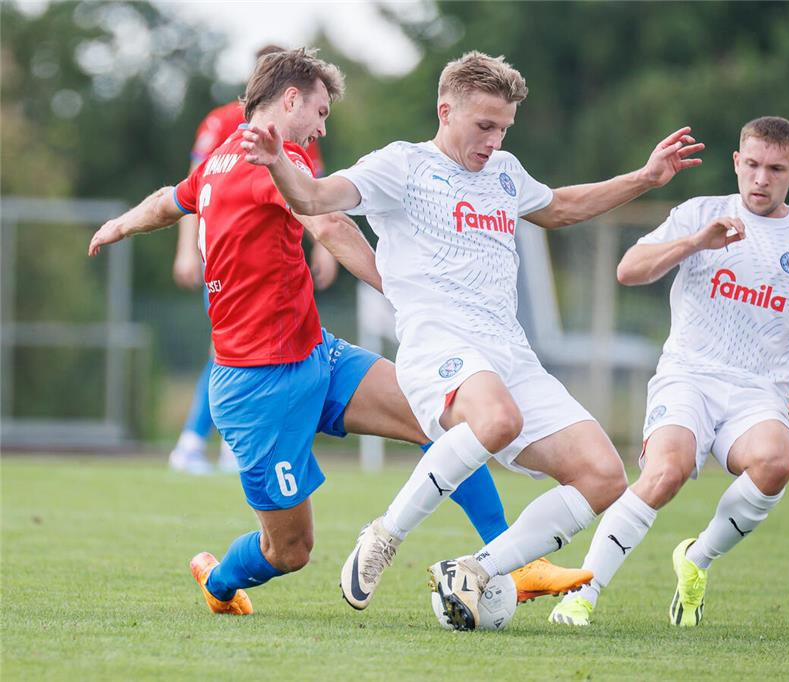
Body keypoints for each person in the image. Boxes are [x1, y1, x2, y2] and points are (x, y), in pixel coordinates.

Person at [88, 48, 584, 616]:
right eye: (320, 112)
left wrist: (120, 224)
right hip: (256, 387)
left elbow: (167, 201)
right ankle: (220, 582)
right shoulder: (266, 163)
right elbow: (327, 222)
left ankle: (515, 560)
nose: (323, 126)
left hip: (318, 356)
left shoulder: (226, 159)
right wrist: (401, 291)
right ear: (290, 99)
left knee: (441, 415)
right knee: (289, 550)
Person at [242, 50, 705, 629]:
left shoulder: (506, 172)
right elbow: (314, 199)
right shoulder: (401, 166)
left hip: (509, 353)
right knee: (497, 419)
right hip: (438, 346)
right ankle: (386, 534)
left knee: (604, 476)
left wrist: (644, 177)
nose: (493, 140)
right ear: (445, 111)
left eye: (503, 128)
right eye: (484, 126)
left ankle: (478, 569)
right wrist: (278, 163)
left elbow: (559, 207)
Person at [548, 116, 789, 628]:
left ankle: (697, 558)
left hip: (759, 391)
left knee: (777, 462)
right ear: (736, 162)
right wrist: (695, 244)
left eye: (775, 169)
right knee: (665, 472)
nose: (760, 178)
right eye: (752, 165)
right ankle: (582, 593)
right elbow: (629, 270)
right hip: (688, 376)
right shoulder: (700, 214)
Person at [168, 44, 338, 475]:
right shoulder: (224, 121)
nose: (319, 126)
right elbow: (193, 190)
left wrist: (323, 248)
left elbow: (311, 194)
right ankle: (200, 441)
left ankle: (212, 442)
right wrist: (187, 249)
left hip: (275, 264)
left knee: (246, 349)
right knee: (228, 349)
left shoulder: (297, 133)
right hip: (231, 262)